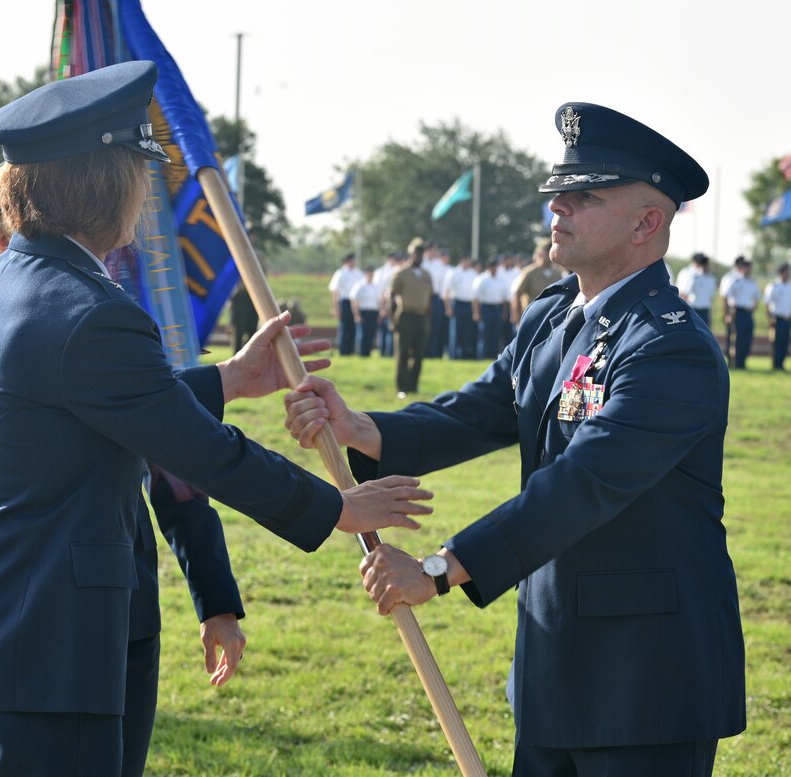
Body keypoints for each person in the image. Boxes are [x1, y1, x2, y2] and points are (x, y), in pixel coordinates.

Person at [0, 61, 432, 777]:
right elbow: (201, 450)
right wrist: (334, 507)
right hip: (49, 653)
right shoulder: (92, 310)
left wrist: (227, 377)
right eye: (140, 172)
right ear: (110, 183)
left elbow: (73, 403)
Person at [286, 102, 746, 777]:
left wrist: (441, 570)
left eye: (583, 196)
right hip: (552, 665)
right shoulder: (552, 317)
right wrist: (362, 428)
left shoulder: (670, 347)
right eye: (557, 194)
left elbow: (582, 483)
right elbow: (478, 412)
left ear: (648, 222)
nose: (556, 209)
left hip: (646, 680)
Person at [387, 237, 434, 398]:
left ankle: (414, 386)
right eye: (416, 253)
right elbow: (392, 296)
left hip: (421, 317)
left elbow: (429, 299)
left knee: (419, 354)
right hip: (405, 315)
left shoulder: (427, 275)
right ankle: (402, 387)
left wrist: (428, 320)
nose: (419, 256)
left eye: (421, 253)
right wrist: (392, 319)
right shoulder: (401, 273)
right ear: (410, 254)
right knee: (403, 353)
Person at [510, 237, 562, 329]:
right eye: (546, 252)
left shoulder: (557, 274)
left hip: (551, 319)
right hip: (532, 319)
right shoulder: (529, 272)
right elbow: (517, 295)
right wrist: (518, 319)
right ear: (540, 253)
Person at [721, 256, 760, 369]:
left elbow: (757, 297)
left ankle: (742, 362)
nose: (748, 270)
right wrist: (727, 313)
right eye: (746, 267)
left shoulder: (752, 282)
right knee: (734, 338)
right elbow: (725, 296)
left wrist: (753, 308)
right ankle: (732, 362)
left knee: (746, 338)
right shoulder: (734, 280)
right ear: (741, 268)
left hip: (747, 312)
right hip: (736, 311)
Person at [472, 258, 509, 359]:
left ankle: (493, 356)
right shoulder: (482, 279)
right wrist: (476, 312)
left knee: (496, 334)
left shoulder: (501, 280)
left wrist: (504, 313)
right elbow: (476, 298)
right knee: (485, 333)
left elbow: (504, 299)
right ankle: (482, 356)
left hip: (497, 308)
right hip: (486, 308)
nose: (495, 269)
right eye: (493, 267)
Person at [443, 253, 478, 359]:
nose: (468, 262)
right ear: (462, 260)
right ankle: (454, 355)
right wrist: (448, 308)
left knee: (467, 331)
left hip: (469, 304)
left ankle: (465, 354)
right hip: (457, 303)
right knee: (456, 330)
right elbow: (447, 291)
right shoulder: (453, 272)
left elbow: (475, 293)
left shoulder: (473, 273)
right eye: (466, 260)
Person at [763, 263, 791, 371]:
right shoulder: (774, 287)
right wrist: (770, 318)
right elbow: (767, 304)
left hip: (787, 319)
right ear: (781, 273)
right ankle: (775, 364)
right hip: (777, 318)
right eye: (786, 272)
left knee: (785, 343)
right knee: (777, 343)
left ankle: (781, 364)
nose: (788, 275)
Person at [327, 253, 360, 355]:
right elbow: (334, 291)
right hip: (344, 301)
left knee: (353, 327)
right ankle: (343, 350)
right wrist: (335, 308)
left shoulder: (358, 273)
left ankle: (351, 350)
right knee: (344, 327)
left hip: (355, 302)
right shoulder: (340, 273)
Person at [676, 252, 718, 327]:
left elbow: (710, 295)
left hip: (705, 310)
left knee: (705, 335)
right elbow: (683, 293)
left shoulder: (710, 276)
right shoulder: (687, 273)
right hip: (692, 309)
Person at [423, 242, 449, 358]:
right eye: (433, 250)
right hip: (424, 298)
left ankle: (434, 353)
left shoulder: (439, 264)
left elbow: (443, 284)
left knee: (436, 327)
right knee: (424, 326)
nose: (435, 252)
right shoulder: (422, 263)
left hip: (436, 298)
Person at [228, 280, 258, 354]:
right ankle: (236, 357)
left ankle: (250, 355)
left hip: (254, 297)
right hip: (241, 297)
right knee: (239, 332)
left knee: (252, 333)